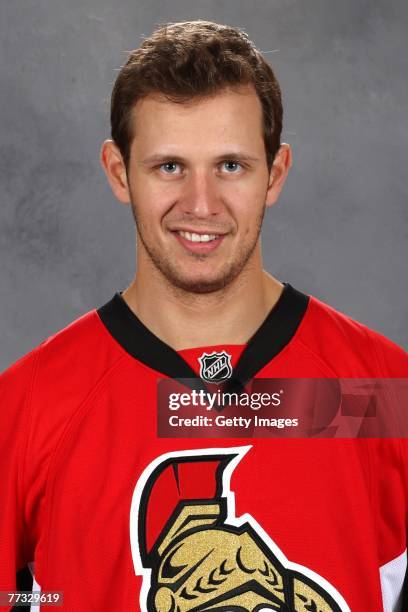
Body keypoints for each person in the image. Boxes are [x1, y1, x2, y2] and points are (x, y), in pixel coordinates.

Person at [1, 19, 407, 612]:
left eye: (231, 166)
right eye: (170, 167)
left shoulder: (378, 393)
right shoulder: (27, 408)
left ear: (276, 172)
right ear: (119, 172)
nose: (200, 204)